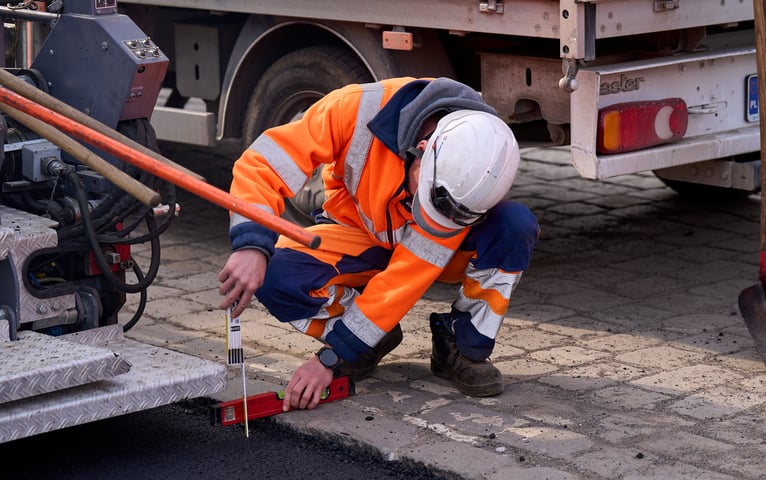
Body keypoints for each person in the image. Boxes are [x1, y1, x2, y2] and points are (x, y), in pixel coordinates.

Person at [217, 77, 539, 412]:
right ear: (423, 148)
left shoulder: (479, 161)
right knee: (276, 276)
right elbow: (264, 165)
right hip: (360, 234)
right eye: (423, 195)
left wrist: (329, 359)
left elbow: (402, 282)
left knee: (513, 225)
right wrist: (251, 245)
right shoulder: (353, 109)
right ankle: (369, 338)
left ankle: (460, 345)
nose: (422, 209)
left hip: (435, 257)